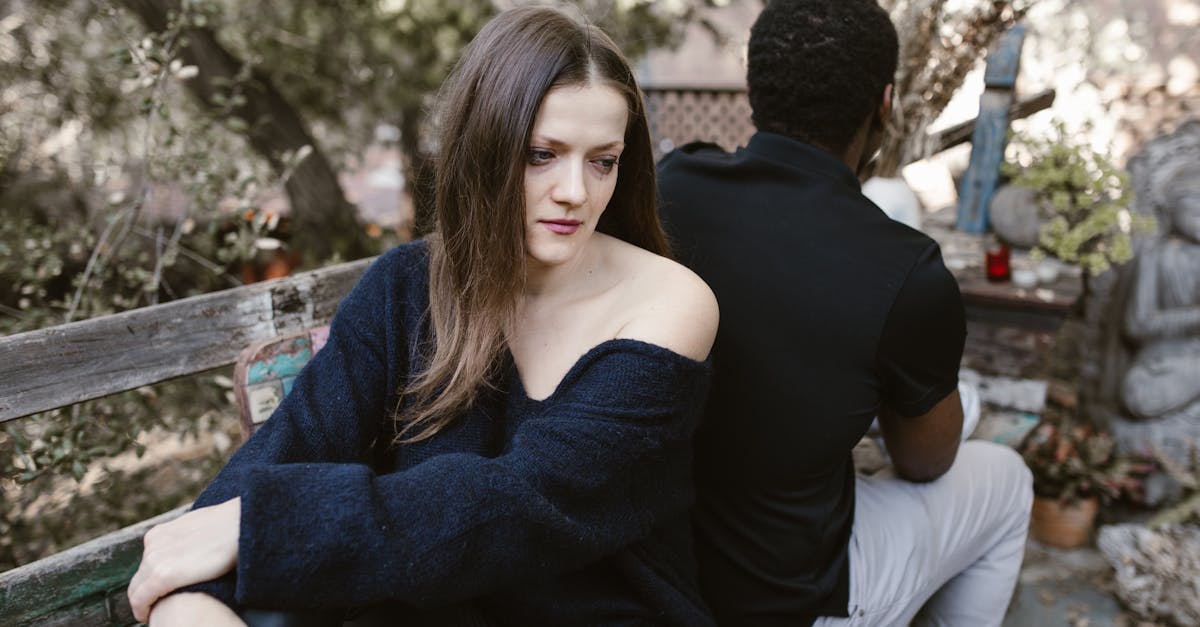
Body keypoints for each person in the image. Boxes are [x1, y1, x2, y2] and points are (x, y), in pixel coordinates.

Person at [127, 6, 719, 626]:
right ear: (482, 148)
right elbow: (286, 450)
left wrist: (259, 527)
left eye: (603, 161)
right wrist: (192, 600)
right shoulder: (405, 287)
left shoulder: (669, 303)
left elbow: (524, 504)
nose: (576, 191)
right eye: (542, 154)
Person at [656, 1, 1032, 625]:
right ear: (884, 104)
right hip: (790, 601)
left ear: (753, 90)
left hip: (664, 575)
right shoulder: (905, 269)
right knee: (1008, 480)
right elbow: (925, 461)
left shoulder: (672, 186)